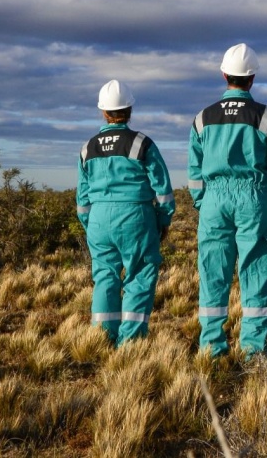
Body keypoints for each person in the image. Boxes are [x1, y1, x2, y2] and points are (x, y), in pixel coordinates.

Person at [188, 43, 267, 358]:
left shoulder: (202, 119)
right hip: (254, 198)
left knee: (213, 274)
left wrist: (203, 203)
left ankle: (211, 346)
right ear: (252, 79)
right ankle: (252, 350)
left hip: (214, 201)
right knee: (256, 272)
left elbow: (195, 174)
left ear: (224, 74)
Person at [76, 79, 176, 348]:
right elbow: (163, 190)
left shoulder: (88, 148)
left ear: (103, 111)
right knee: (140, 275)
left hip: (98, 220)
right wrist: (163, 220)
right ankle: (130, 343)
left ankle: (101, 338)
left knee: (105, 277)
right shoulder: (141, 144)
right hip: (136, 217)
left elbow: (82, 199)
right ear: (129, 109)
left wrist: (90, 224)